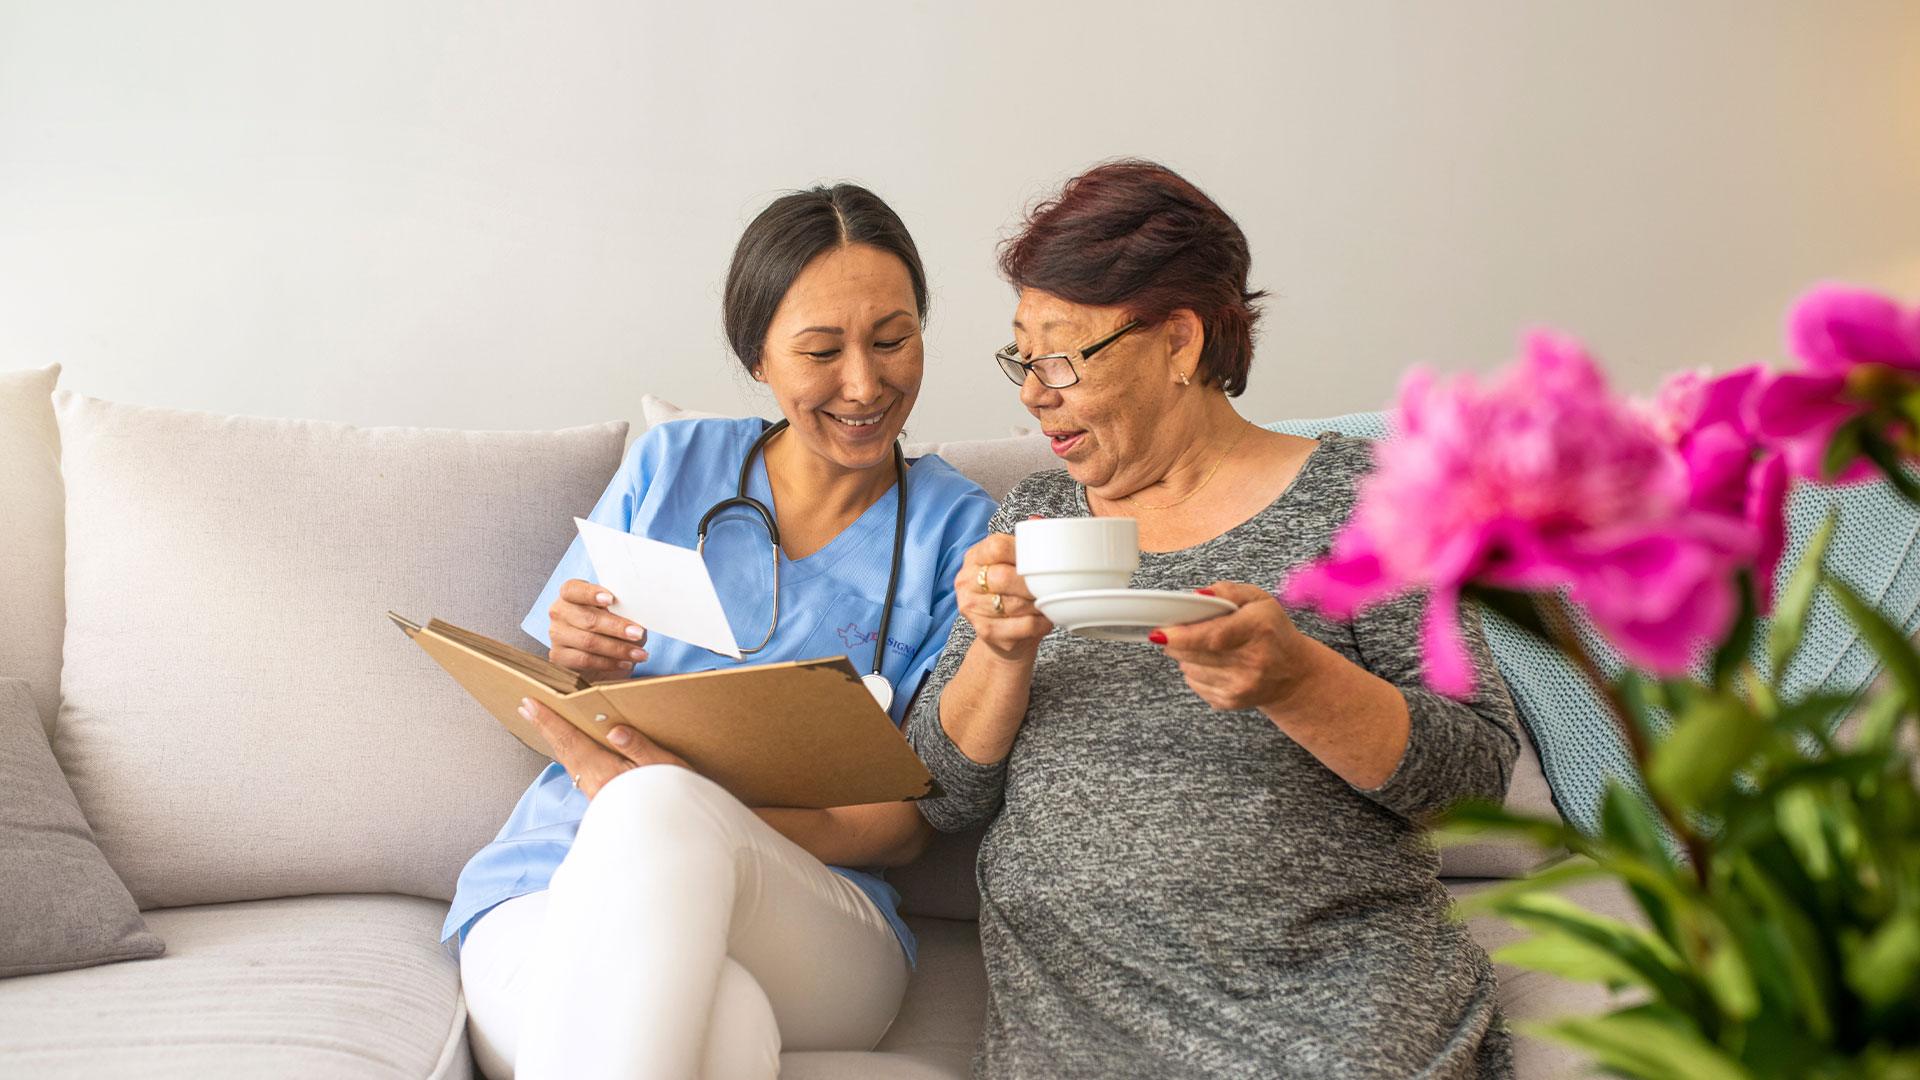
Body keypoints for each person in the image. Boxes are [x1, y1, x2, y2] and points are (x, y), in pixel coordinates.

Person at [904, 160, 1521, 1079]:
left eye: (1062, 355)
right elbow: (939, 792)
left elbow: (1472, 777)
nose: (1033, 391)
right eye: (1022, 354)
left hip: (1331, 1024)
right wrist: (1000, 652)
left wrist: (1299, 680)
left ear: (1181, 343)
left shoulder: (1367, 500)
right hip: (1079, 1039)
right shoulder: (1034, 519)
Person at [446, 183, 996, 1080]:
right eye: (822, 350)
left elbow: (903, 828)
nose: (866, 383)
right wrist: (568, 655)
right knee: (725, 1029)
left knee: (657, 803)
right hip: (555, 877)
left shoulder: (961, 533)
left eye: (893, 339)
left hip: (814, 911)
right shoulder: (673, 466)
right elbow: (557, 698)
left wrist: (697, 801)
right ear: (758, 358)